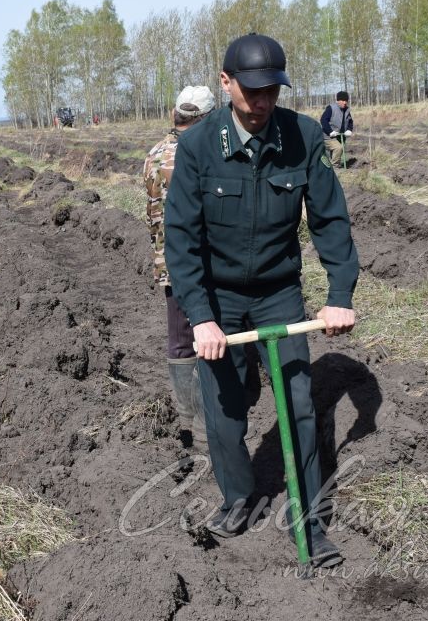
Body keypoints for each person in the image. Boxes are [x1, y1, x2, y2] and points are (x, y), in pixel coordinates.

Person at [164, 33, 359, 567]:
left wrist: (339, 294)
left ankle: (309, 519)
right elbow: (180, 240)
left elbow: (330, 221)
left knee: (299, 403)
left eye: (272, 89)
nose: (263, 101)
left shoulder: (301, 136)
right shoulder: (199, 145)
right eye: (251, 91)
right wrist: (200, 318)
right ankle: (238, 497)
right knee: (225, 411)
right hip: (219, 296)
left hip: (278, 292)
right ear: (225, 83)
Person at [144, 85, 216, 447]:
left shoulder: (155, 154)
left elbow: (153, 213)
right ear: (204, 118)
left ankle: (187, 417)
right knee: (211, 335)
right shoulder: (204, 151)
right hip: (206, 263)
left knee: (180, 339)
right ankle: (207, 424)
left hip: (170, 263)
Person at [320, 91, 354, 168]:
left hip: (340, 136)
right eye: (342, 100)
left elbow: (350, 121)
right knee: (338, 148)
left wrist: (349, 130)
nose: (345, 102)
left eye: (346, 101)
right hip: (328, 137)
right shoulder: (331, 108)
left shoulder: (347, 110)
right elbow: (323, 120)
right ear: (338, 101)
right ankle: (335, 167)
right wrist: (330, 132)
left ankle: (329, 165)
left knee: (337, 150)